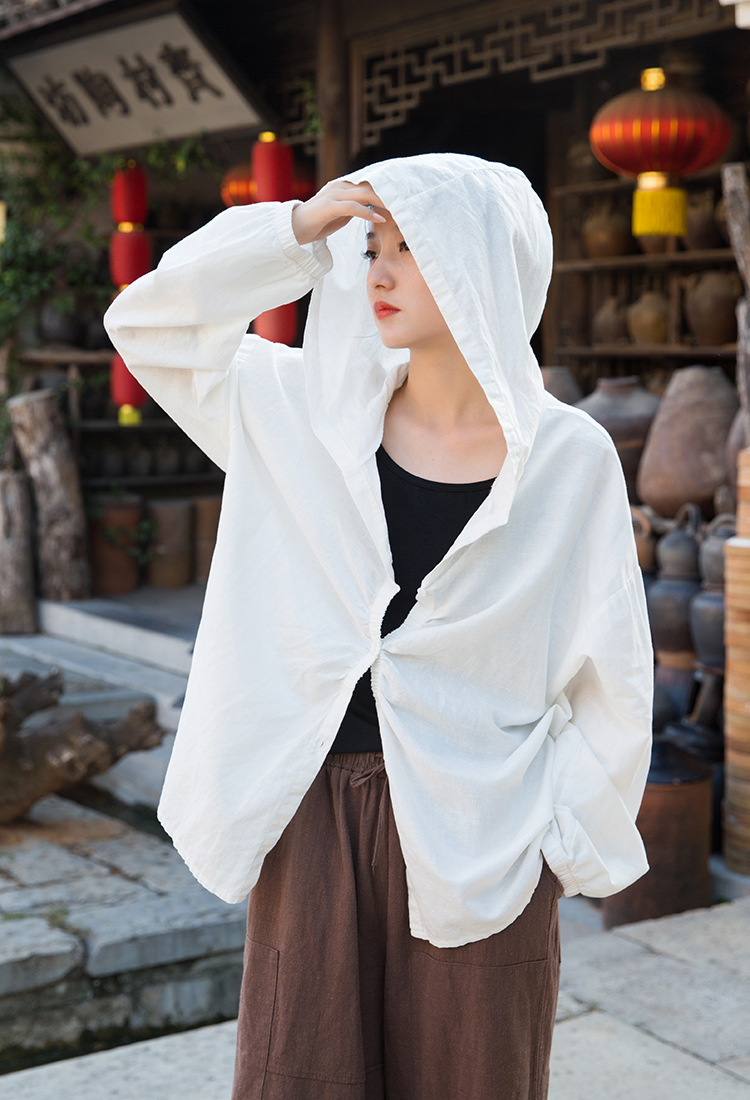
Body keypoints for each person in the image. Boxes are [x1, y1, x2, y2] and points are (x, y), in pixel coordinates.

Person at [104, 152, 653, 1100]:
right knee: (300, 1076)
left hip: (483, 832)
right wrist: (296, 228)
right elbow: (148, 324)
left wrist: (558, 850)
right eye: (373, 248)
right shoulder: (295, 409)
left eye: (413, 247)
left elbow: (612, 678)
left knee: (475, 1077)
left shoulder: (571, 458)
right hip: (311, 816)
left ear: (489, 266)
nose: (380, 273)